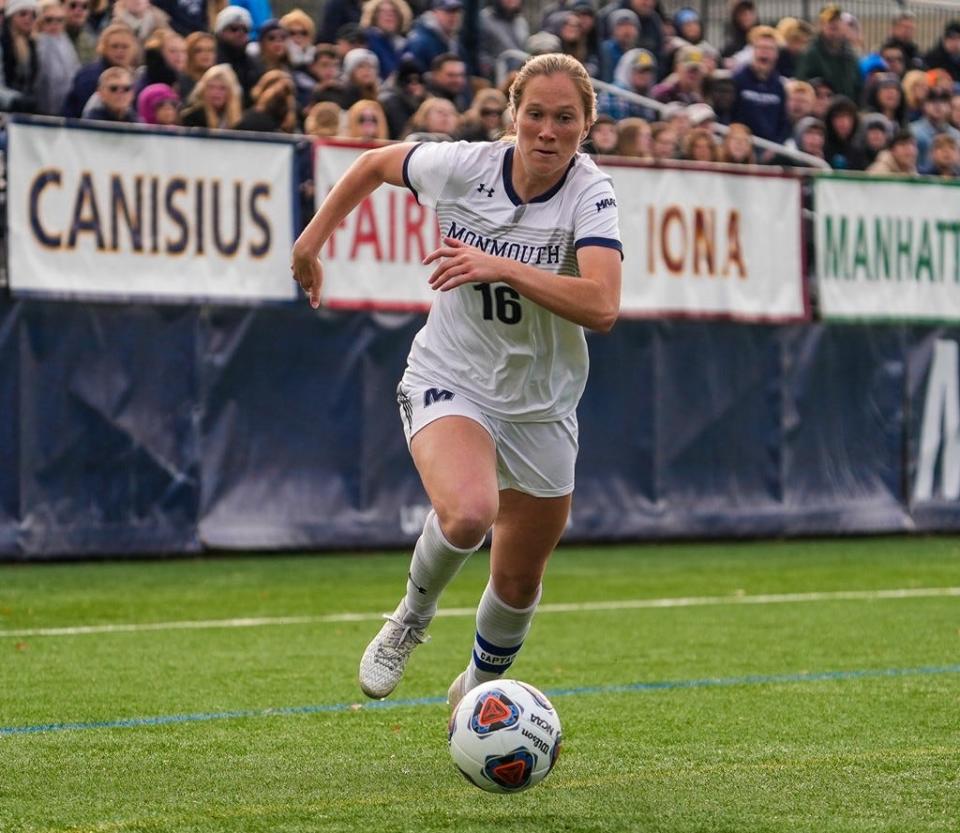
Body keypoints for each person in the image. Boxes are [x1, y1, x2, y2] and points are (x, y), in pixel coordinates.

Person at [290, 52, 622, 711]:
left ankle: (476, 686)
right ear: (512, 113)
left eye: (565, 118)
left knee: (521, 577)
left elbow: (602, 306)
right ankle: (410, 618)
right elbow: (372, 164)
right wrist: (308, 244)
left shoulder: (592, 193)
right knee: (470, 512)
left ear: (588, 126)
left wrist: (501, 265)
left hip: (543, 403)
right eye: (535, 115)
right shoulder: (465, 167)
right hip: (452, 375)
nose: (547, 132)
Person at [179, 62, 243, 128]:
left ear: (230, 92)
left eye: (222, 88)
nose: (216, 92)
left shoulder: (240, 120)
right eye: (211, 87)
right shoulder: (192, 117)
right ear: (203, 90)